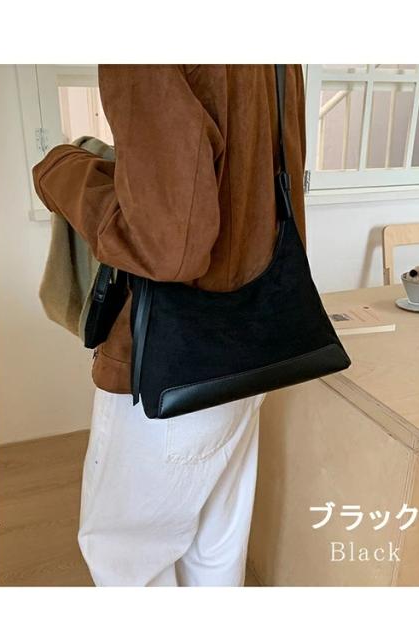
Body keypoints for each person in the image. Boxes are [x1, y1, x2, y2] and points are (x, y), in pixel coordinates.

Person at [32, 64, 307, 586]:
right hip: (255, 345)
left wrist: (59, 169)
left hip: (170, 363)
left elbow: (168, 247)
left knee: (127, 558)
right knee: (215, 544)